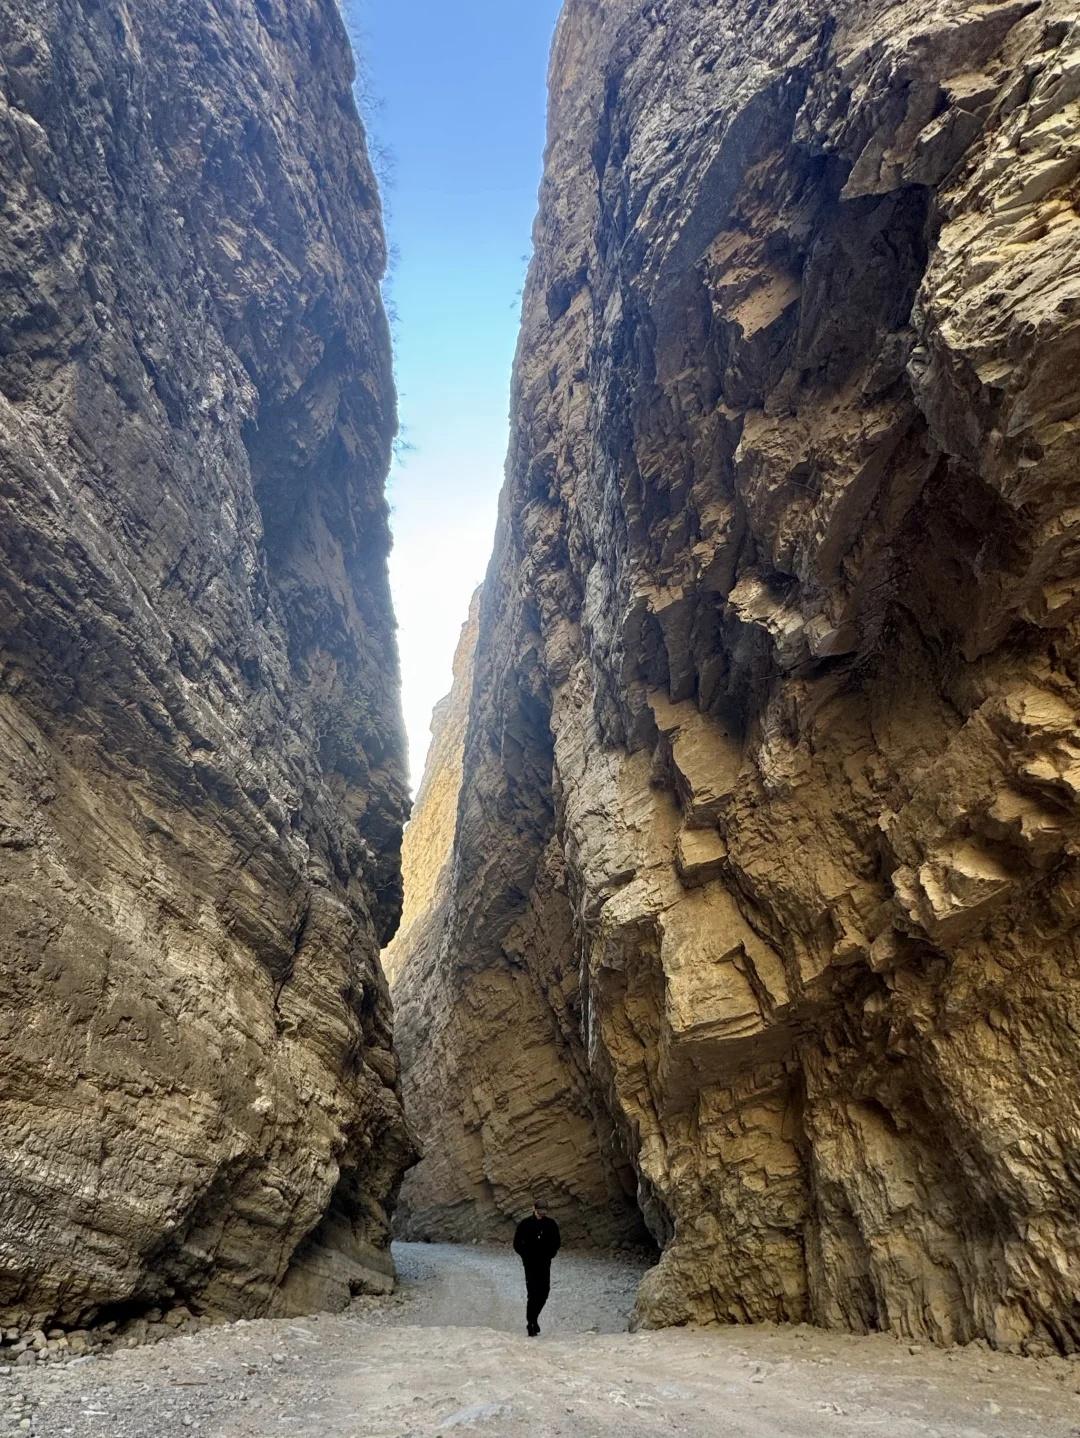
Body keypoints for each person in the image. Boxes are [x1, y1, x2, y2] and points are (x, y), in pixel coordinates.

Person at [513, 1199, 561, 1336]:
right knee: (533, 1293)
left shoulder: (551, 1224)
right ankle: (531, 1323)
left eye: (545, 1210)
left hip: (545, 1263)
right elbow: (517, 1243)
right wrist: (525, 1256)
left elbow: (557, 1242)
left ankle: (534, 1318)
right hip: (530, 1264)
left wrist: (551, 1254)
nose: (543, 1212)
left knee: (544, 1292)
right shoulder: (525, 1224)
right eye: (540, 1210)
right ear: (534, 1208)